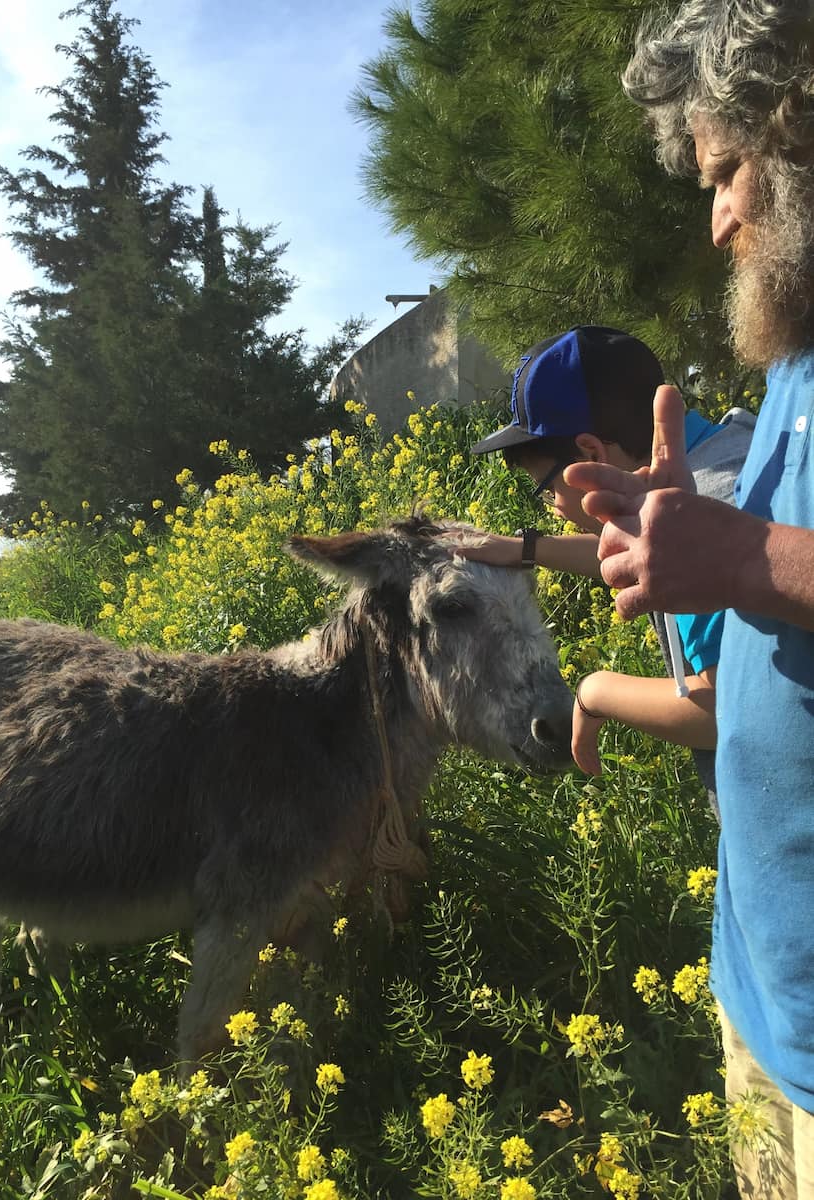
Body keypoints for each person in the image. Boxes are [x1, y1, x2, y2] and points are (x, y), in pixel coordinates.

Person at [564, 2, 814, 1193]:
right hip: (764, 993)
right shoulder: (790, 373)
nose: (717, 220)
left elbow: (763, 567)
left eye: (729, 173)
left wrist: (750, 562)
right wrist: (665, 535)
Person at [465, 324, 754, 792]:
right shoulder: (735, 449)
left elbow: (725, 709)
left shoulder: (697, 517)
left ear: (589, 452)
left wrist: (594, 693)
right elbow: (639, 553)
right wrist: (527, 549)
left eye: (546, 488)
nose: (554, 506)